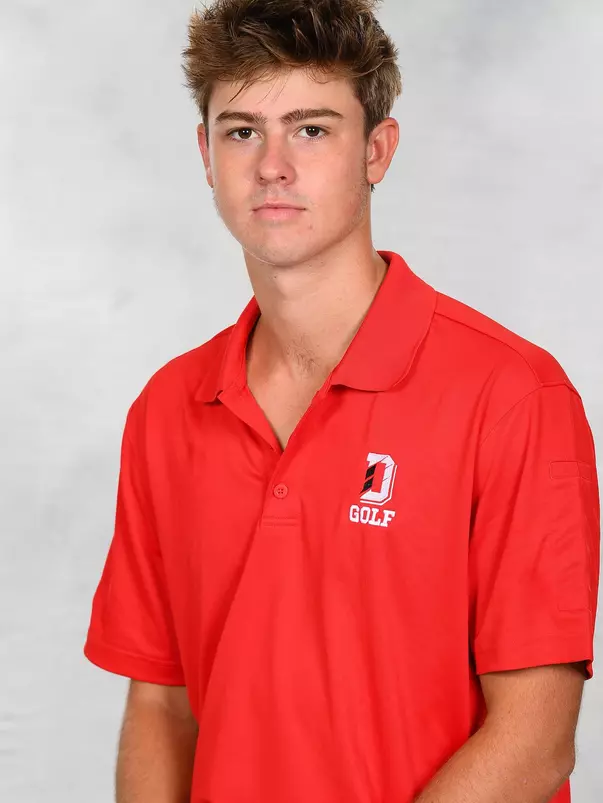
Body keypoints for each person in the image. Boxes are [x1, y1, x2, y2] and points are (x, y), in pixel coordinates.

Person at [83, 1, 600, 802]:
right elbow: (163, 703)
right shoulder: (167, 408)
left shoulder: (511, 394)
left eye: (312, 129)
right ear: (206, 153)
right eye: (242, 130)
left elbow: (533, 739)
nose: (273, 165)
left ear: (377, 150)